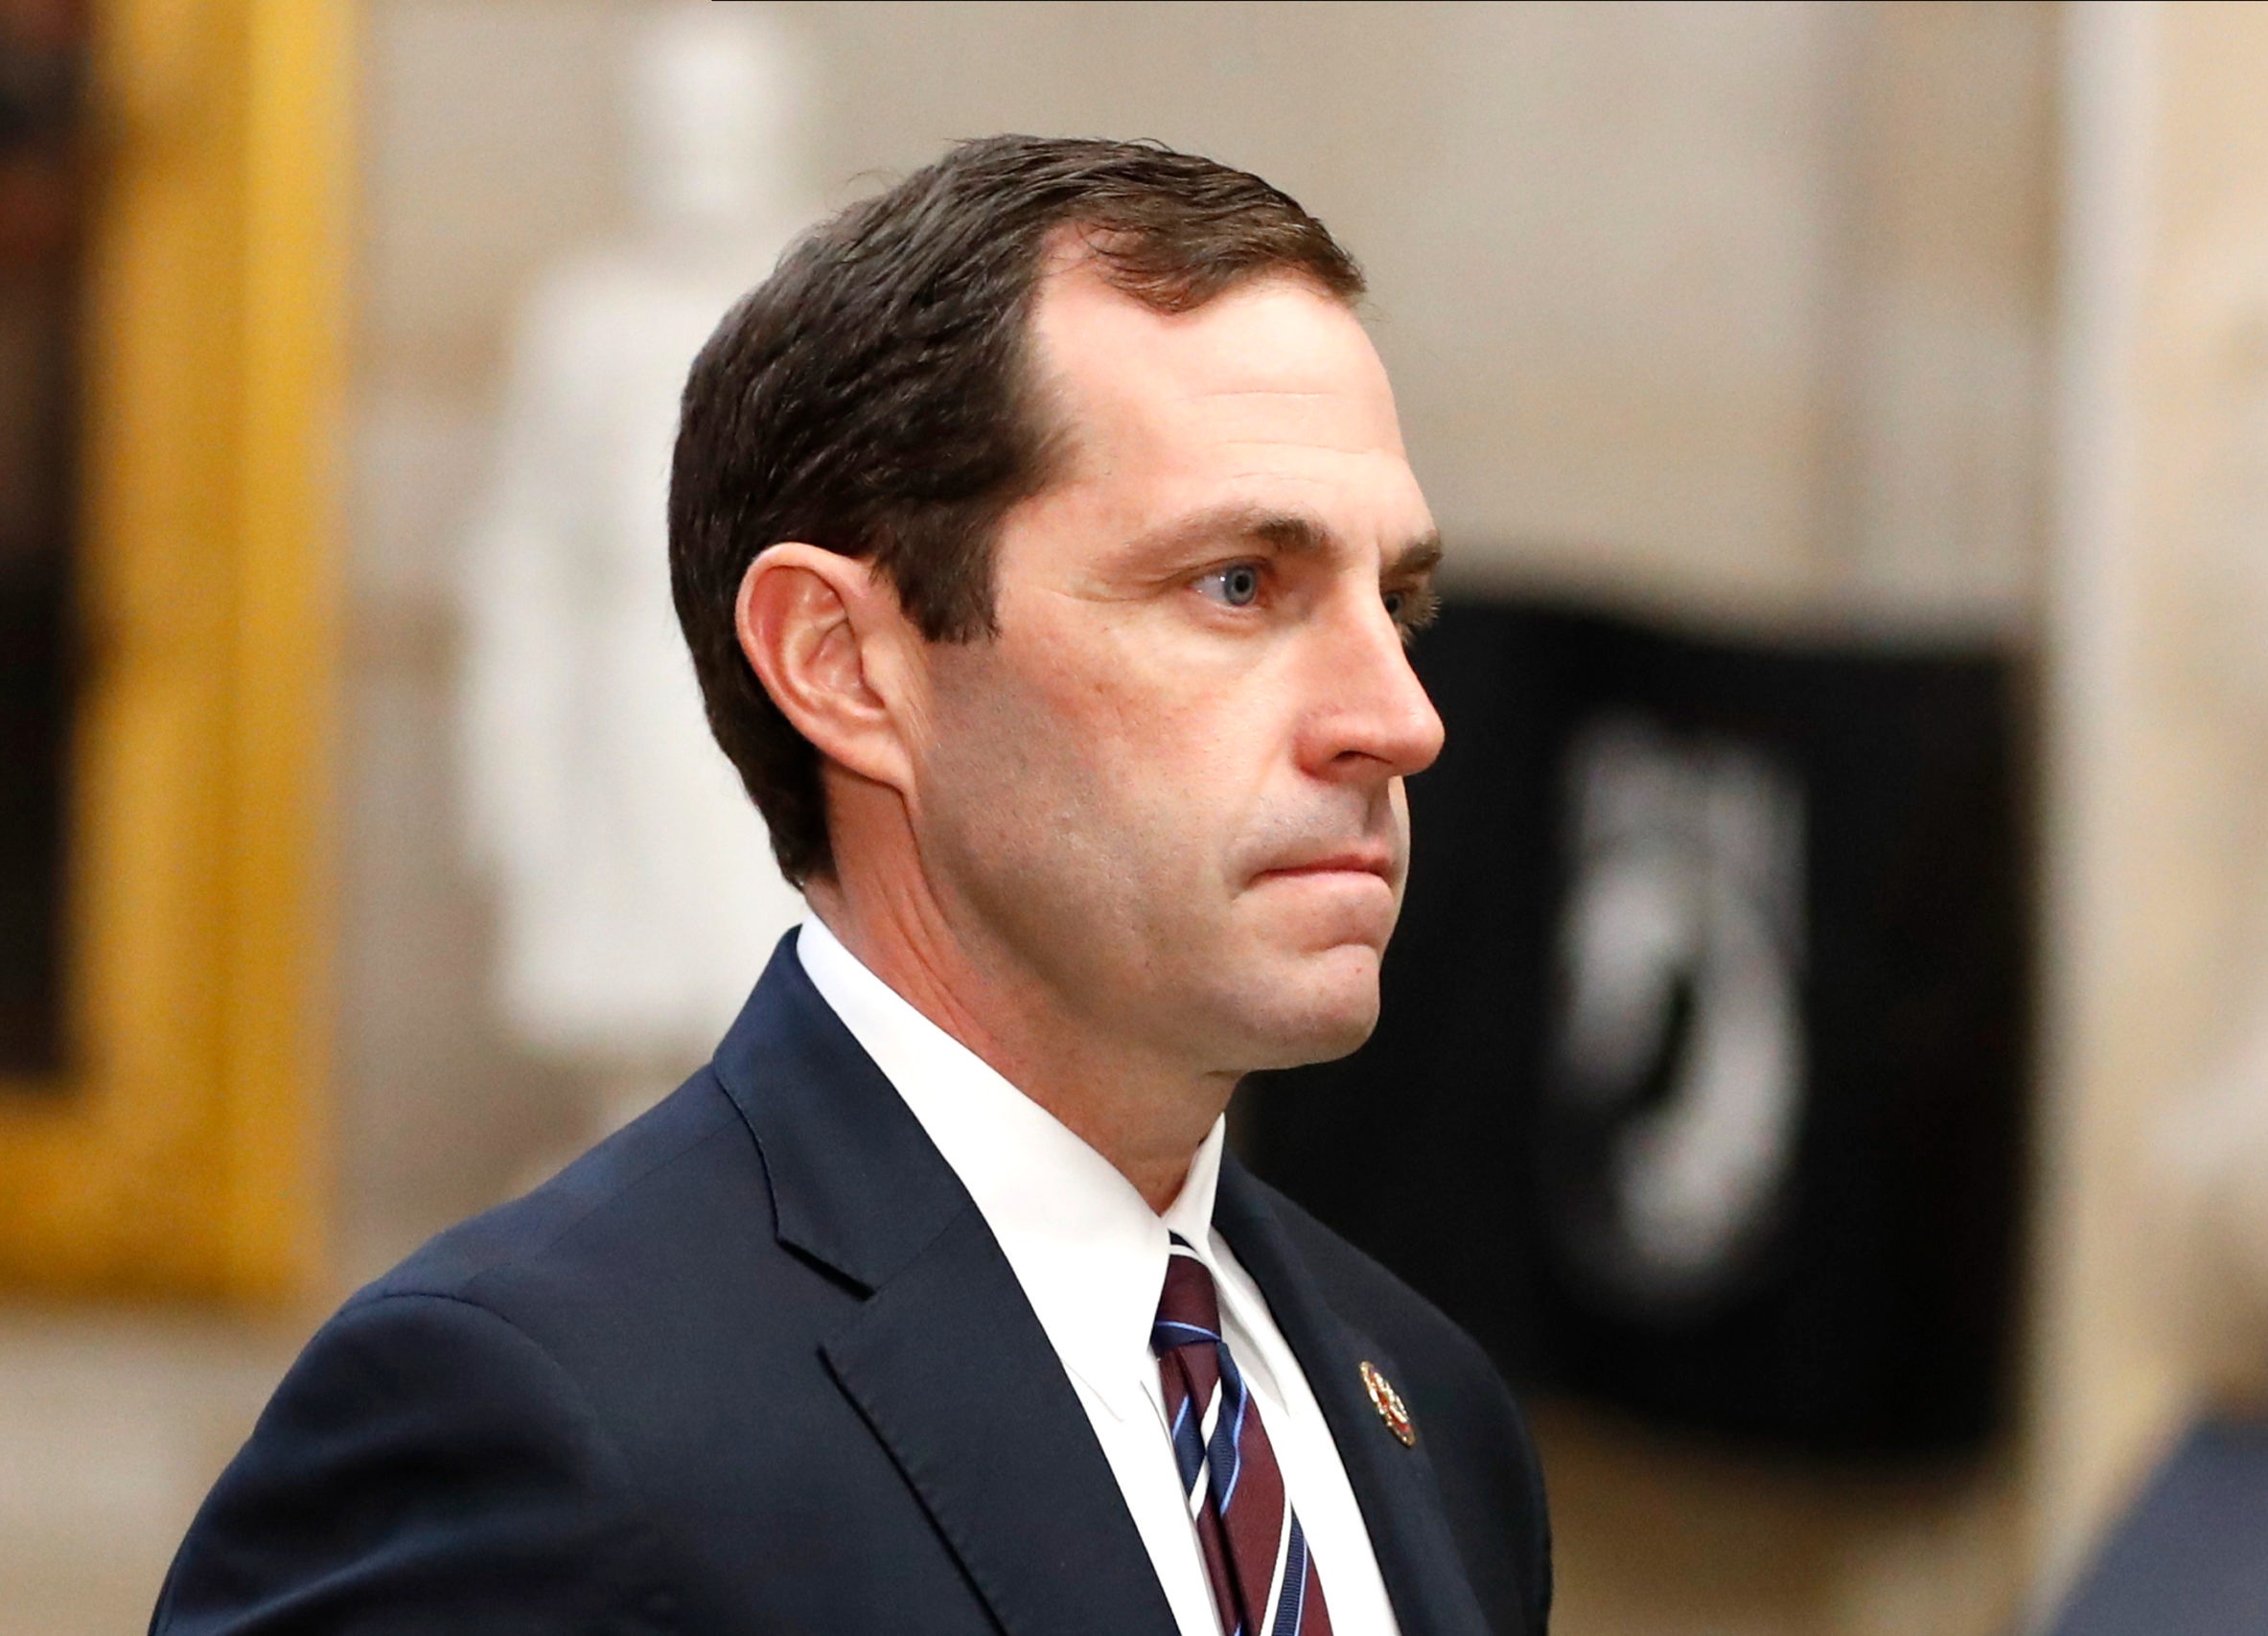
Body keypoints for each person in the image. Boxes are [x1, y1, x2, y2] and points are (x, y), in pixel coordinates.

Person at [152, 136, 1552, 1636]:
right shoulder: (536, 1416)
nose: (1402, 717)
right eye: (1237, 584)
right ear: (846, 664)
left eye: (1394, 600)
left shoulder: (1429, 1410)